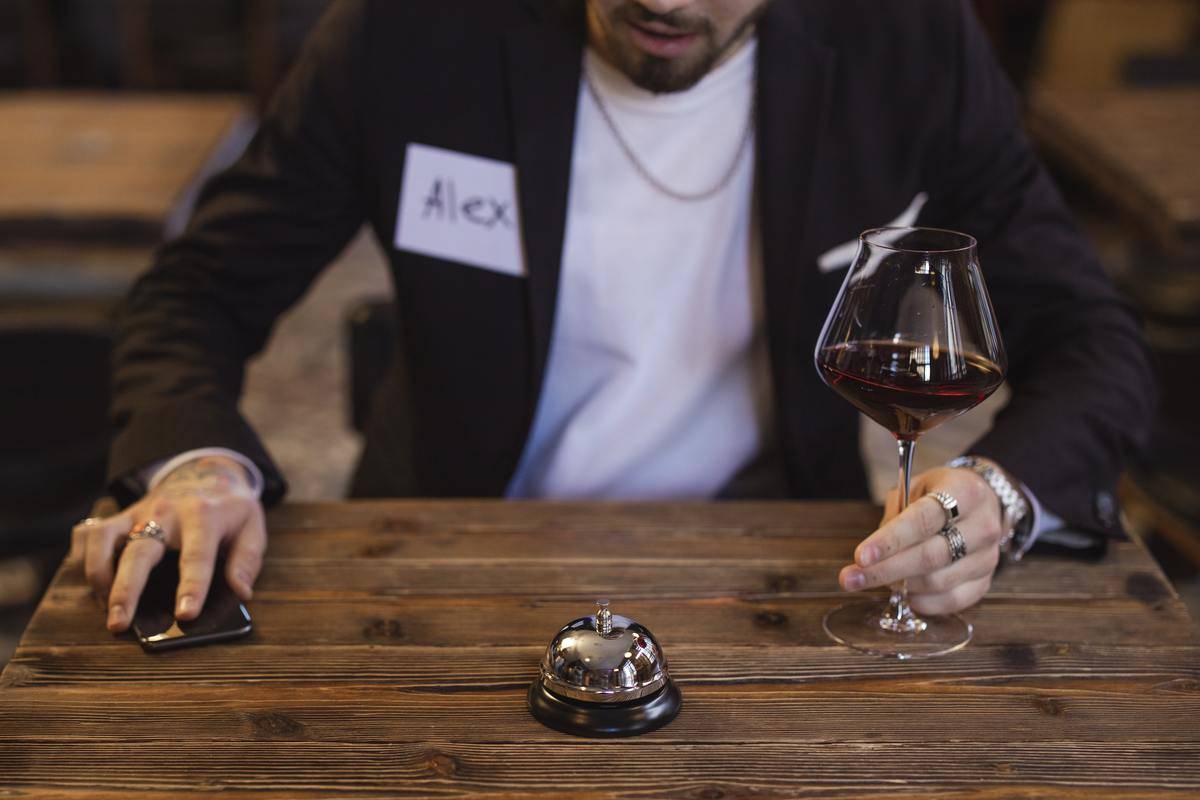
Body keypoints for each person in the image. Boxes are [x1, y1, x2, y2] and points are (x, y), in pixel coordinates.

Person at [76, 0, 1155, 634]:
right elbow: (196, 288)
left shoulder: (904, 41)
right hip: (448, 559)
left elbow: (1094, 343)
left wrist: (1002, 493)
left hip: (781, 559)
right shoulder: (410, 36)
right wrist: (198, 463)